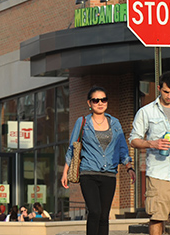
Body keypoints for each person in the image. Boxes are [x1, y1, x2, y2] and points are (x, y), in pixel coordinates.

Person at [129, 71, 170, 235]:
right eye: (166, 91)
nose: (169, 96)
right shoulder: (146, 112)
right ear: (159, 88)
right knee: (158, 217)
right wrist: (152, 143)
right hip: (159, 172)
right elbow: (133, 139)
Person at [61, 86, 135, 235]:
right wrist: (65, 172)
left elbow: (122, 147)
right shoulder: (82, 122)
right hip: (88, 173)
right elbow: (73, 148)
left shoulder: (115, 123)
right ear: (90, 103)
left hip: (109, 174)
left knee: (104, 216)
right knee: (94, 211)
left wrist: (129, 167)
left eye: (103, 99)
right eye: (96, 100)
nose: (100, 103)